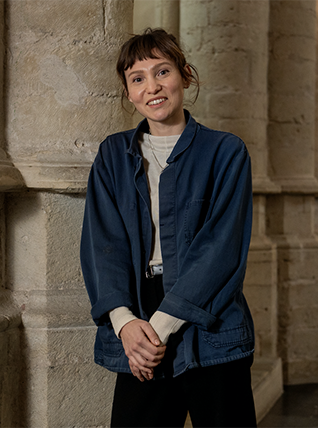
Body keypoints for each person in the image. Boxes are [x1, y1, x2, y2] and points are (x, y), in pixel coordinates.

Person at [80, 28, 257, 428]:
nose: (152, 87)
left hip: (209, 315)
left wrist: (159, 330)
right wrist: (126, 324)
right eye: (137, 78)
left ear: (185, 76)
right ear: (128, 93)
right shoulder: (112, 155)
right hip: (139, 315)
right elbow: (103, 245)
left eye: (162, 72)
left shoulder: (226, 152)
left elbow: (221, 248)